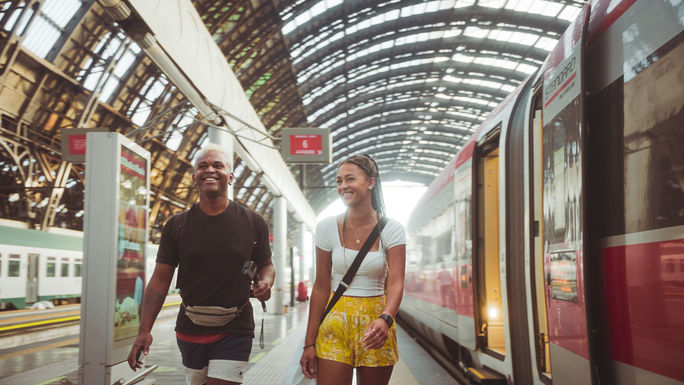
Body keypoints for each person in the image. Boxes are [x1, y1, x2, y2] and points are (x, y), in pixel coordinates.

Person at [127, 143, 275, 385]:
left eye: (218, 165)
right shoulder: (177, 226)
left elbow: (266, 265)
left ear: (230, 176)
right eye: (202, 166)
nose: (210, 170)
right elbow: (159, 281)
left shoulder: (252, 222)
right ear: (194, 177)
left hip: (236, 326)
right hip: (190, 327)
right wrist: (144, 330)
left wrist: (265, 282)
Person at [300, 154, 406, 385]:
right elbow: (320, 287)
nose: (343, 186)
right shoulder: (327, 227)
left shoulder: (392, 229)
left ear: (370, 182)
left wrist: (386, 319)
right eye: (339, 181)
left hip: (376, 326)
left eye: (350, 179)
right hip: (335, 323)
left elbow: (396, 282)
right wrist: (309, 342)